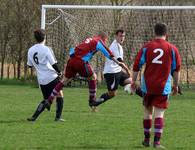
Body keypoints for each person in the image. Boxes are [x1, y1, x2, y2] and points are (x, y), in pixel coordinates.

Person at [44, 31, 130, 111]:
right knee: (93, 77)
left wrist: (70, 62)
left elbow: (73, 50)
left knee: (64, 80)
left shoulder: (89, 39)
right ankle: (92, 100)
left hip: (71, 59)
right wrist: (119, 63)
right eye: (105, 40)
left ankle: (49, 100)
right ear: (104, 38)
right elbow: (109, 54)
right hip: (81, 61)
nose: (105, 42)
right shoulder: (99, 42)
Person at [131, 23, 181, 148]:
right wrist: (176, 85)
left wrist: (133, 81)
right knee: (159, 114)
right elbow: (176, 69)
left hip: (147, 86)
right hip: (163, 86)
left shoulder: (147, 47)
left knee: (147, 111)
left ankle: (146, 140)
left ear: (155, 33)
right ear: (166, 34)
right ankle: (157, 142)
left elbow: (136, 65)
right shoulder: (172, 49)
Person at [93, 29, 142, 108]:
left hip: (117, 71)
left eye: (123, 36)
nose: (122, 38)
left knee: (132, 83)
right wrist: (128, 71)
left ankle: (147, 99)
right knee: (112, 94)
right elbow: (120, 62)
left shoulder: (119, 45)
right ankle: (94, 103)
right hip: (111, 73)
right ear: (116, 36)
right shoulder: (115, 46)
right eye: (120, 36)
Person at [27, 29, 64, 122]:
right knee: (59, 95)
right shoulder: (46, 49)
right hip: (51, 76)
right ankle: (58, 117)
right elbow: (53, 64)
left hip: (41, 79)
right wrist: (59, 72)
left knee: (46, 99)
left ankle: (34, 117)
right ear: (44, 38)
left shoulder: (30, 50)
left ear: (35, 38)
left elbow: (29, 65)